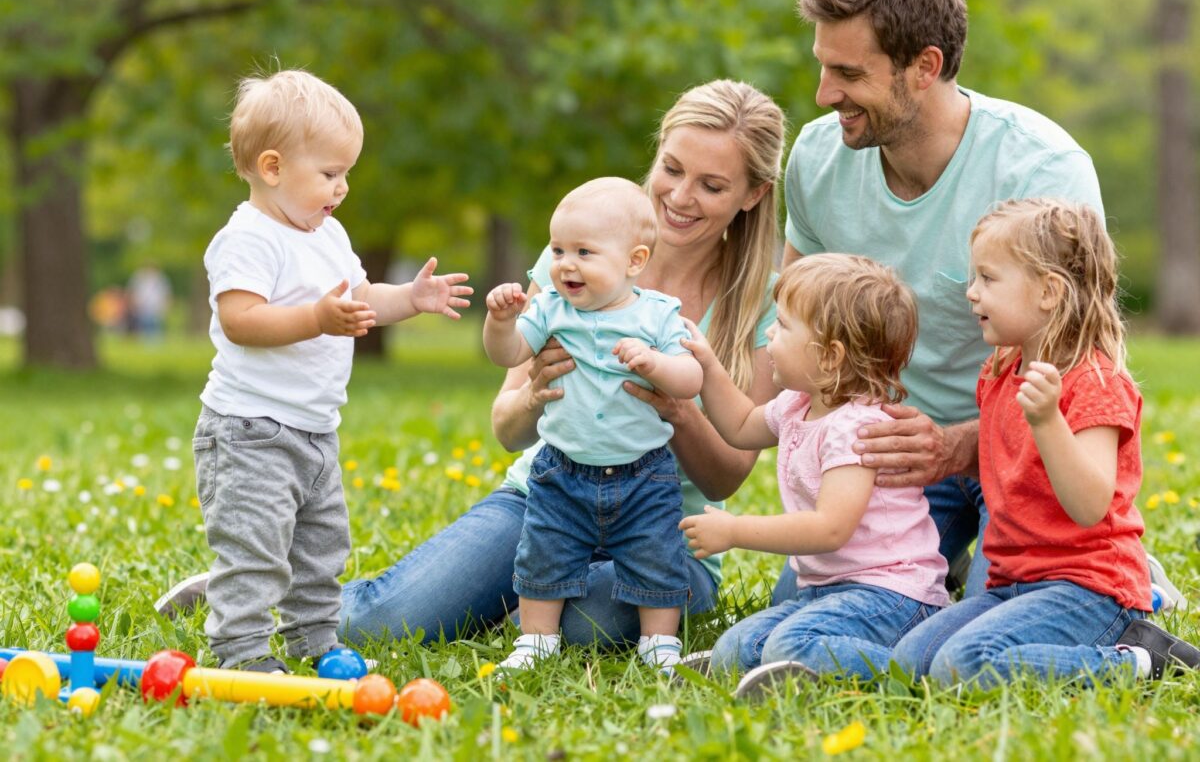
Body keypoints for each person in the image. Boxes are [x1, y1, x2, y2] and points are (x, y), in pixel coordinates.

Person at [777, 0, 1191, 611]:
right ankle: (937, 561)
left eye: (848, 73)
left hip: (1022, 449)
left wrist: (957, 444)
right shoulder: (819, 160)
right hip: (897, 457)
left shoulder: (1042, 171)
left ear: (925, 68)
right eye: (824, 67)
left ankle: (1123, 574)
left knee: (1013, 604)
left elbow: (1090, 374)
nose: (825, 96)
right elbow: (791, 324)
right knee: (814, 602)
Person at [334, 80, 785, 650]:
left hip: (665, 525)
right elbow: (506, 429)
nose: (679, 196)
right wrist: (533, 393)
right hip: (547, 496)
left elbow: (726, 476)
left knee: (577, 626)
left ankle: (521, 603)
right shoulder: (575, 260)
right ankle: (263, 598)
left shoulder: (762, 303)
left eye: (712, 185)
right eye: (671, 168)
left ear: (752, 194)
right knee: (375, 626)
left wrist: (677, 409)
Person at [162, 70, 471, 671]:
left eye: (346, 173)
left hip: (314, 431)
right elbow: (241, 321)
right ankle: (243, 651)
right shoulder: (247, 238)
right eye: (330, 173)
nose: (343, 187)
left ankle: (314, 639)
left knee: (321, 548)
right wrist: (317, 319)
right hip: (249, 432)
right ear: (273, 168)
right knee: (256, 549)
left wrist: (409, 298)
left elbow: (361, 295)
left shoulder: (328, 233)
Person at [891, 200, 1200, 686]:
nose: (972, 294)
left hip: (1089, 589)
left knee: (964, 664)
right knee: (910, 661)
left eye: (988, 279)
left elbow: (1090, 505)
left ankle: (1142, 660)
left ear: (1049, 292)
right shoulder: (999, 370)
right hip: (1014, 583)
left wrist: (1048, 420)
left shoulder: (1094, 381)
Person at [679, 254, 948, 694]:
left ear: (829, 357)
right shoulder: (797, 403)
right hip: (830, 589)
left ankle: (918, 675)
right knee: (736, 647)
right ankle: (778, 674)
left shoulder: (856, 428)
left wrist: (735, 530)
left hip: (891, 596)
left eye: (783, 326)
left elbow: (829, 529)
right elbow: (741, 426)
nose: (769, 333)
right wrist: (708, 366)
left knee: (792, 643)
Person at [483, 177, 703, 672]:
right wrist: (500, 322)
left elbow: (690, 379)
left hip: (643, 474)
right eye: (558, 248)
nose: (565, 263)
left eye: (584, 251)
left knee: (655, 554)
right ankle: (535, 641)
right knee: (545, 550)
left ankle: (659, 644)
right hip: (562, 471)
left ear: (634, 262)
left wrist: (654, 364)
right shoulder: (550, 310)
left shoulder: (658, 316)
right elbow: (509, 353)